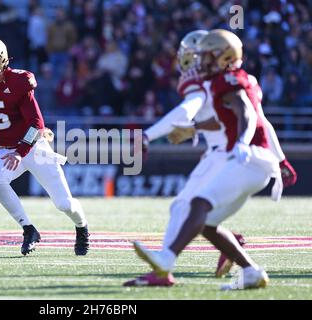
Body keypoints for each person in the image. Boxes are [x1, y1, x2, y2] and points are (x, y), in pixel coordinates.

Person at [125, 30, 297, 289]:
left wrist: (148, 135)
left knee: (196, 204)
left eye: (205, 56)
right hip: (246, 157)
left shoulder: (223, 80)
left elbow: (246, 114)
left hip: (241, 156)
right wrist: (281, 159)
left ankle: (165, 262)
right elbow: (242, 118)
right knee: (205, 222)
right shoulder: (238, 78)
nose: (200, 62)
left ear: (223, 56)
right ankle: (250, 271)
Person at [0, 37, 89, 256]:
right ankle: (29, 229)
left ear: (1, 61)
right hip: (5, 148)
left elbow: (37, 124)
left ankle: (82, 227)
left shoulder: (20, 81)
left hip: (33, 147)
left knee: (63, 204)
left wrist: (21, 153)